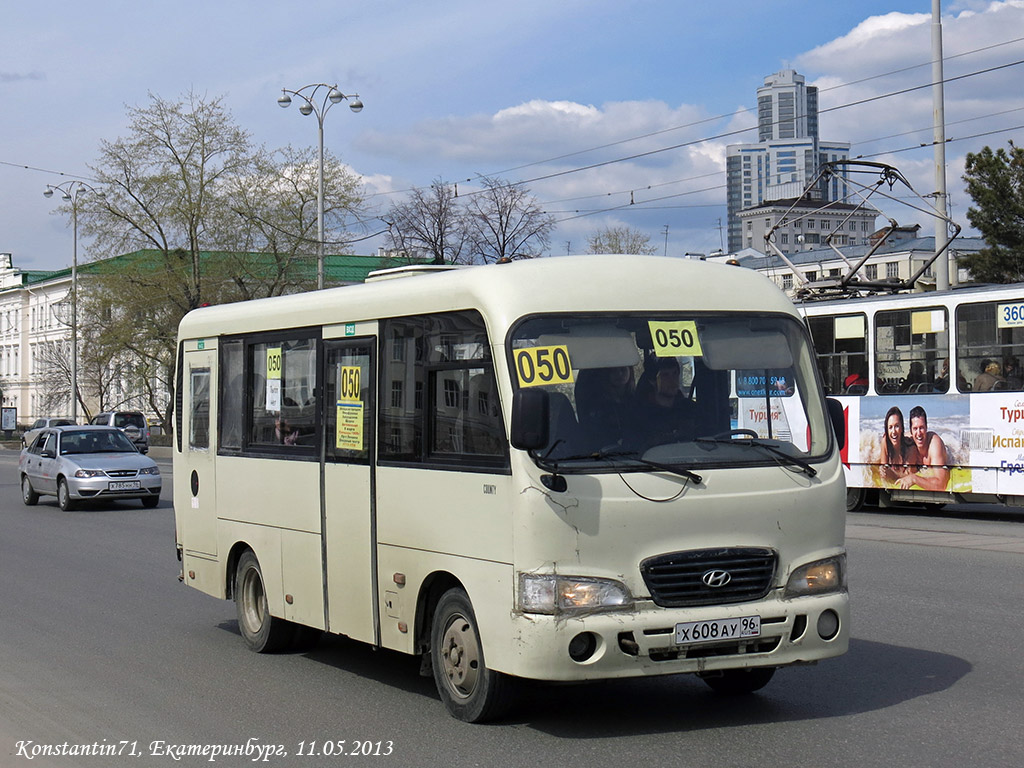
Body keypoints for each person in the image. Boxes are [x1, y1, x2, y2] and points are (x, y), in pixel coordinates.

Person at [634, 357, 695, 447]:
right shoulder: (639, 416)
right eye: (665, 375)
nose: (672, 380)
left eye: (675, 373)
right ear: (652, 381)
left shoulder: (691, 410)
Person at [898, 405, 950, 491]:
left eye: (921, 428)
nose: (918, 433)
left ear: (926, 428)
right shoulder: (907, 441)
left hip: (945, 457)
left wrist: (914, 479)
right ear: (911, 431)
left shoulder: (934, 445)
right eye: (915, 429)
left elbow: (941, 485)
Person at [878, 406, 919, 485]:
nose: (893, 431)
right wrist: (883, 471)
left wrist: (892, 474)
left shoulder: (911, 448)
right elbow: (883, 469)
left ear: (902, 428)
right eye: (890, 427)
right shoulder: (885, 442)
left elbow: (910, 477)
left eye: (896, 426)